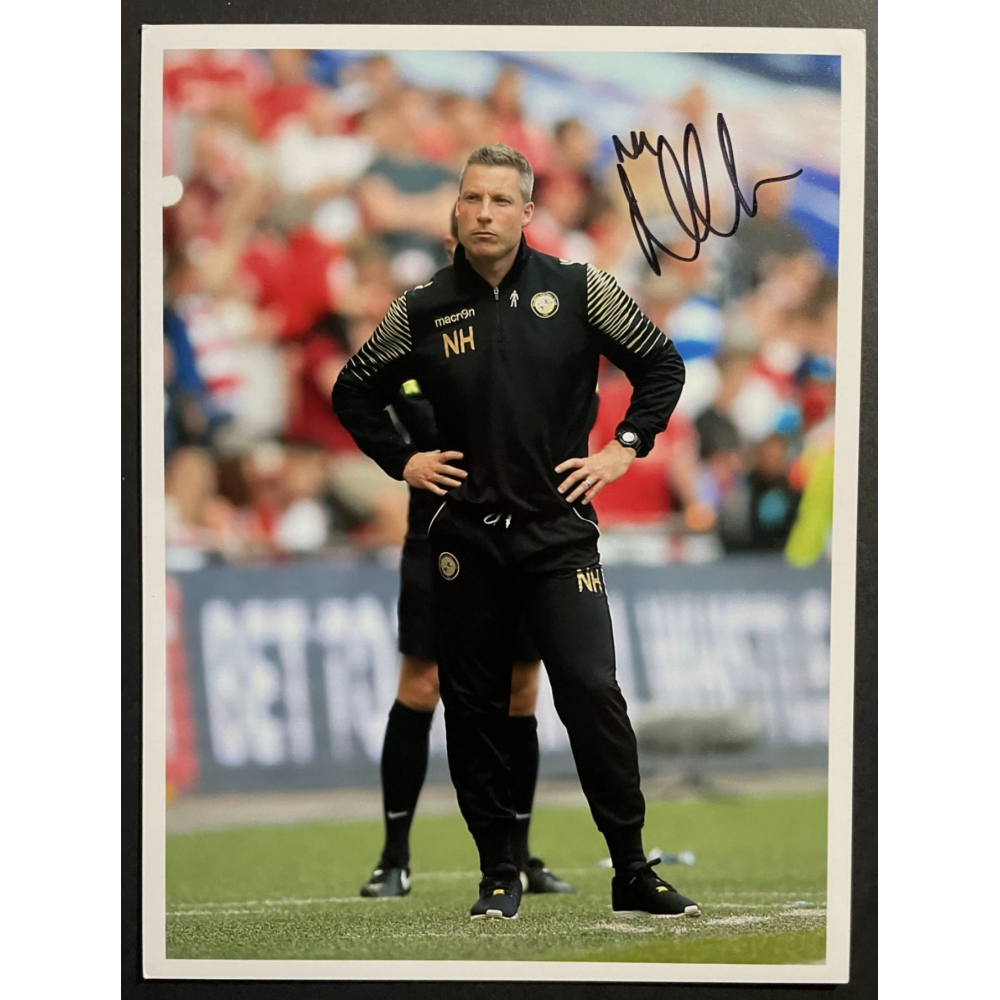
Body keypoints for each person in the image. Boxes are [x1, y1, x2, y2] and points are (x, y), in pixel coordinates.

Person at [333, 143, 700, 922]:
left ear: (527, 212)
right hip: (465, 540)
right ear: (456, 210)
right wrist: (404, 460)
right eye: (473, 199)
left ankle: (632, 868)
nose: (485, 213)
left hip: (558, 534)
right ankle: (498, 871)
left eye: (501, 200)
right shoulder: (421, 308)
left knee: (591, 690)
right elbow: (353, 389)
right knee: (472, 706)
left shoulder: (580, 289)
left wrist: (623, 448)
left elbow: (662, 366)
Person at [358, 375, 575, 899]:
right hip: (437, 530)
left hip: (525, 531)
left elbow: (574, 402)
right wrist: (404, 458)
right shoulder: (418, 342)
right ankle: (394, 857)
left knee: (521, 688)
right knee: (421, 683)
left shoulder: (528, 342)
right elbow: (372, 400)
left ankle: (518, 855)